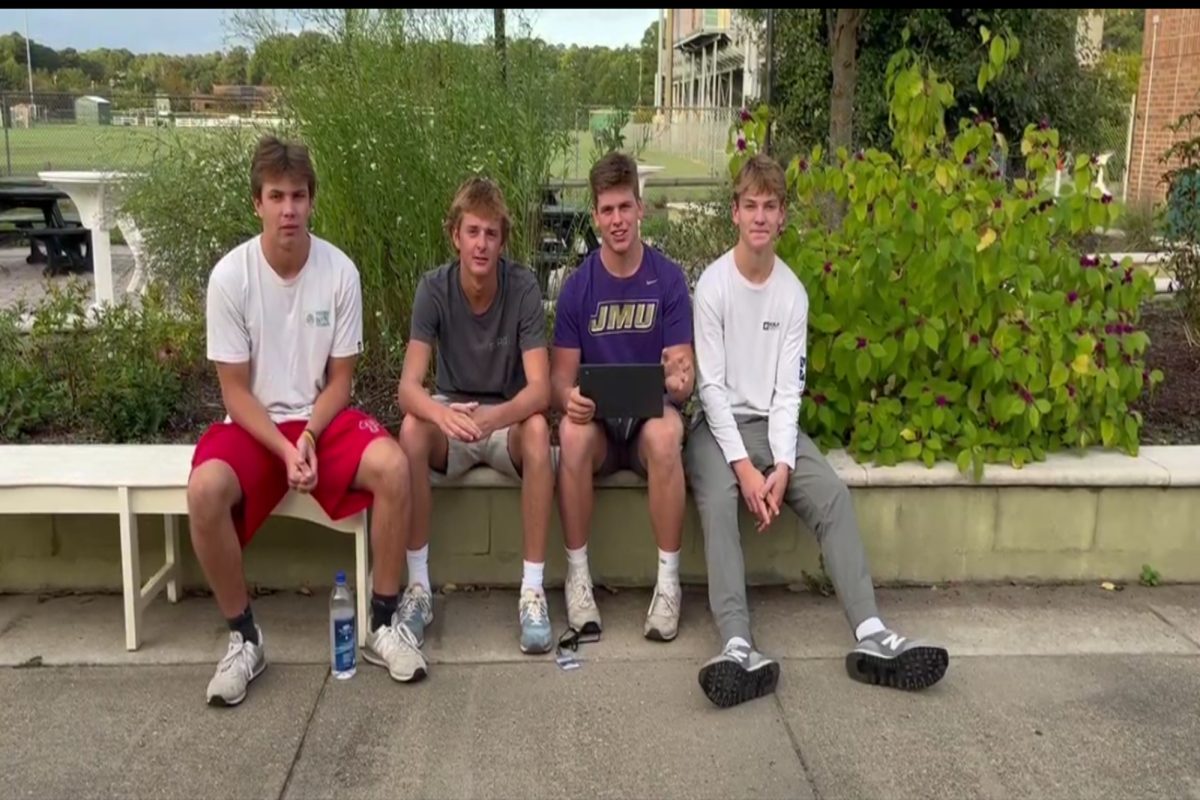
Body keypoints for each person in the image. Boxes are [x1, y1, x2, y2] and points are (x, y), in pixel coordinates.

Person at [686, 153, 950, 709]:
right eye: (750, 206)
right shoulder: (712, 287)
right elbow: (709, 390)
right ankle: (737, 646)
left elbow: (789, 393)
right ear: (735, 212)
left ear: (783, 217)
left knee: (830, 495)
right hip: (718, 431)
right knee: (718, 500)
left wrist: (781, 469)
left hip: (775, 431)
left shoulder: (793, 295)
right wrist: (745, 471)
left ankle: (872, 633)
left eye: (771, 207)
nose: (760, 217)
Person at [187, 135, 421, 707]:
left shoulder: (339, 271)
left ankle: (383, 623)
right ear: (257, 204)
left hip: (321, 418)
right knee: (204, 490)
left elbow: (341, 379)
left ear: (312, 200)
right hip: (255, 425)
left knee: (394, 464)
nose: (288, 208)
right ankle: (244, 638)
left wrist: (310, 437)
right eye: (276, 196)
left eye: (298, 196)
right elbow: (235, 391)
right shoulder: (230, 277)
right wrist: (285, 449)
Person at [397, 176, 555, 658]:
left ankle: (532, 590)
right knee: (411, 429)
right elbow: (408, 388)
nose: (481, 244)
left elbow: (541, 389)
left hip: (504, 417)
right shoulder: (434, 288)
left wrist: (492, 419)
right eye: (472, 232)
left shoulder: (523, 286)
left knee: (538, 430)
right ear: (455, 236)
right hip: (453, 412)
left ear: (502, 240)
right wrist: (442, 418)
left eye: (490, 233)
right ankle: (420, 588)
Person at [550, 151, 695, 642]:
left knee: (667, 431)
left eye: (625, 208)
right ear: (595, 216)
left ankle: (668, 583)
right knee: (569, 434)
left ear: (640, 207)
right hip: (597, 431)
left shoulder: (668, 279)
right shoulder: (578, 287)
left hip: (646, 423)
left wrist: (679, 381)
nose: (617, 220)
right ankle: (577, 576)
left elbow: (680, 371)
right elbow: (559, 379)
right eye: (607, 210)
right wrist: (569, 399)